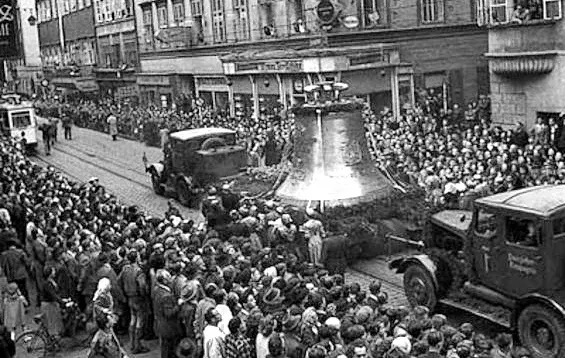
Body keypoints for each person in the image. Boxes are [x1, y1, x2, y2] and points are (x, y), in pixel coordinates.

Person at [118, 250, 150, 354]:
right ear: (136, 258)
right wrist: (144, 294)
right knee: (139, 321)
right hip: (138, 298)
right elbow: (142, 285)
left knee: (133, 319)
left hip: (129, 297)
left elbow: (118, 281)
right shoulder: (139, 271)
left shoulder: (125, 269)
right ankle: (137, 345)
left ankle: (132, 344)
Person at [153, 270, 183, 358]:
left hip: (160, 324)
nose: (171, 280)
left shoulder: (156, 289)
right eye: (169, 278)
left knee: (165, 348)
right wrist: (179, 304)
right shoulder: (166, 295)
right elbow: (168, 313)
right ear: (164, 280)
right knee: (170, 350)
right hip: (168, 326)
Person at [40, 266, 64, 340]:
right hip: (48, 305)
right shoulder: (47, 284)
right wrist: (62, 301)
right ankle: (52, 339)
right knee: (51, 323)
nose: (54, 272)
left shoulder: (51, 281)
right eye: (53, 271)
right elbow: (52, 294)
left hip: (52, 304)